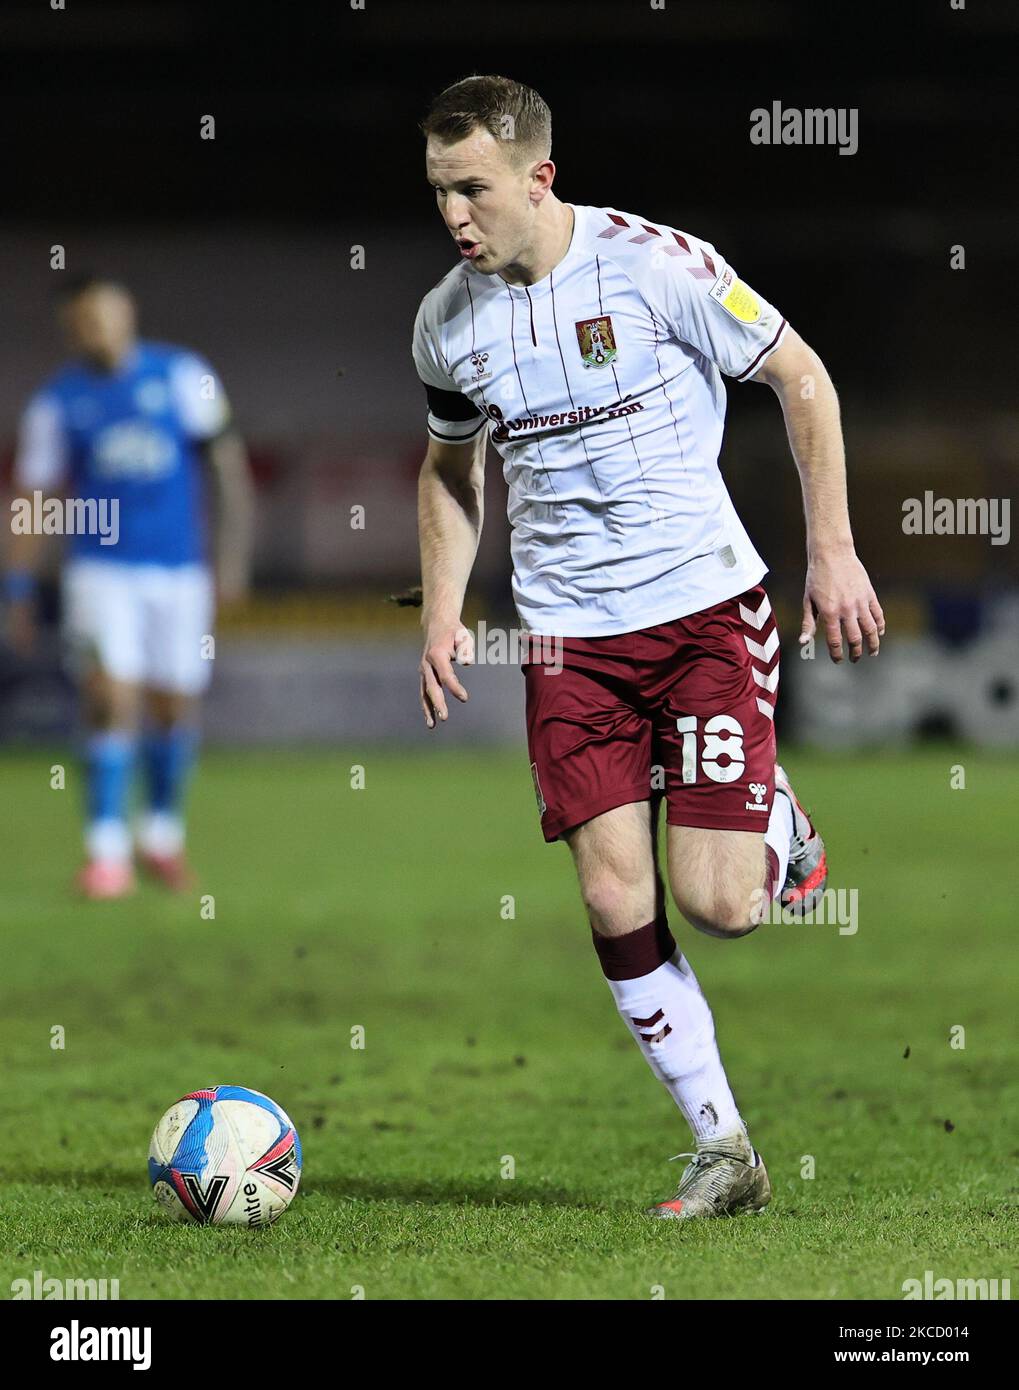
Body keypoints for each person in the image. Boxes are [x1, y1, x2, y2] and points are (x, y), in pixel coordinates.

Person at [412, 75, 884, 1220]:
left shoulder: (655, 266)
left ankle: (773, 819)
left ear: (539, 177)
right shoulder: (444, 321)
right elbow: (447, 470)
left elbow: (799, 375)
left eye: (472, 189)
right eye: (437, 194)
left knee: (721, 905)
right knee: (614, 898)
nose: (455, 216)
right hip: (568, 643)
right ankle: (723, 1147)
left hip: (701, 619)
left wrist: (831, 550)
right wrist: (439, 608)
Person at [5, 275, 254, 898]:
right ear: (72, 330)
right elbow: (33, 501)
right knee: (108, 697)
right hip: (100, 572)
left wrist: (231, 560)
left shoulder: (183, 376)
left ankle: (161, 836)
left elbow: (226, 468)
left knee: (173, 706)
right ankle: (105, 851)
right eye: (85, 321)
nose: (99, 329)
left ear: (128, 315)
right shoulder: (57, 402)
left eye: (107, 316)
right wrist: (17, 588)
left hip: (179, 572)